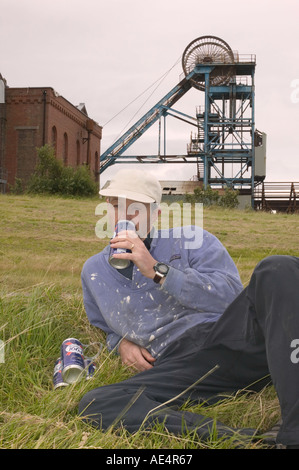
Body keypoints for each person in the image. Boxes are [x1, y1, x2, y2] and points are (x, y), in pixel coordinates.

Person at [78, 169, 299, 448]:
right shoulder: (93, 272)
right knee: (97, 403)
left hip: (231, 339)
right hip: (182, 365)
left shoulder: (192, 239)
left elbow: (230, 296)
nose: (124, 215)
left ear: (155, 214)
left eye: (135, 208)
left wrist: (157, 271)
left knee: (279, 268)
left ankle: (294, 433)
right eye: (114, 205)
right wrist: (120, 343)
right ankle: (249, 441)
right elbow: (103, 325)